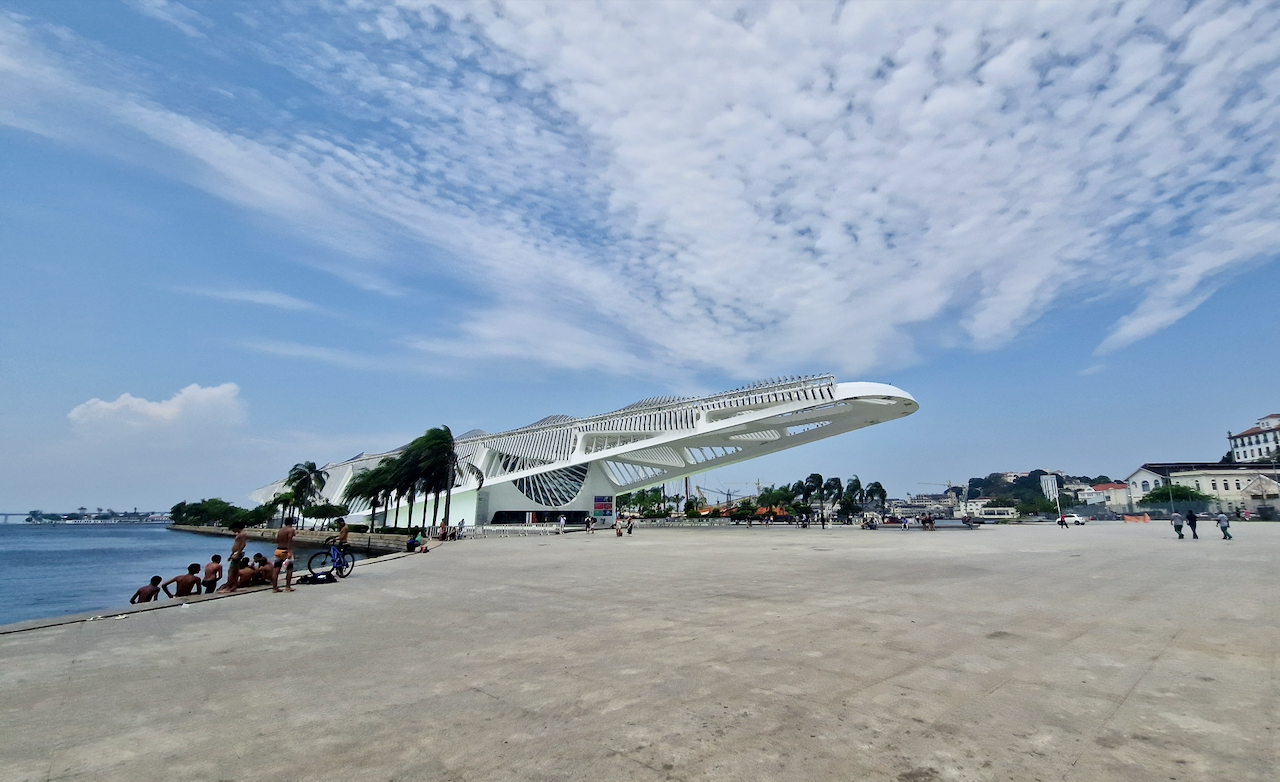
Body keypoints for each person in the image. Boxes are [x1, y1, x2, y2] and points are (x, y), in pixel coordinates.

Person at [273, 518, 297, 593]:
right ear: (292, 522)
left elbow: (277, 540)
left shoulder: (281, 530)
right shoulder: (291, 530)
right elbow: (289, 540)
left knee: (276, 569)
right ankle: (288, 587)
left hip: (278, 550)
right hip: (286, 550)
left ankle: (275, 588)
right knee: (289, 569)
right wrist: (289, 552)